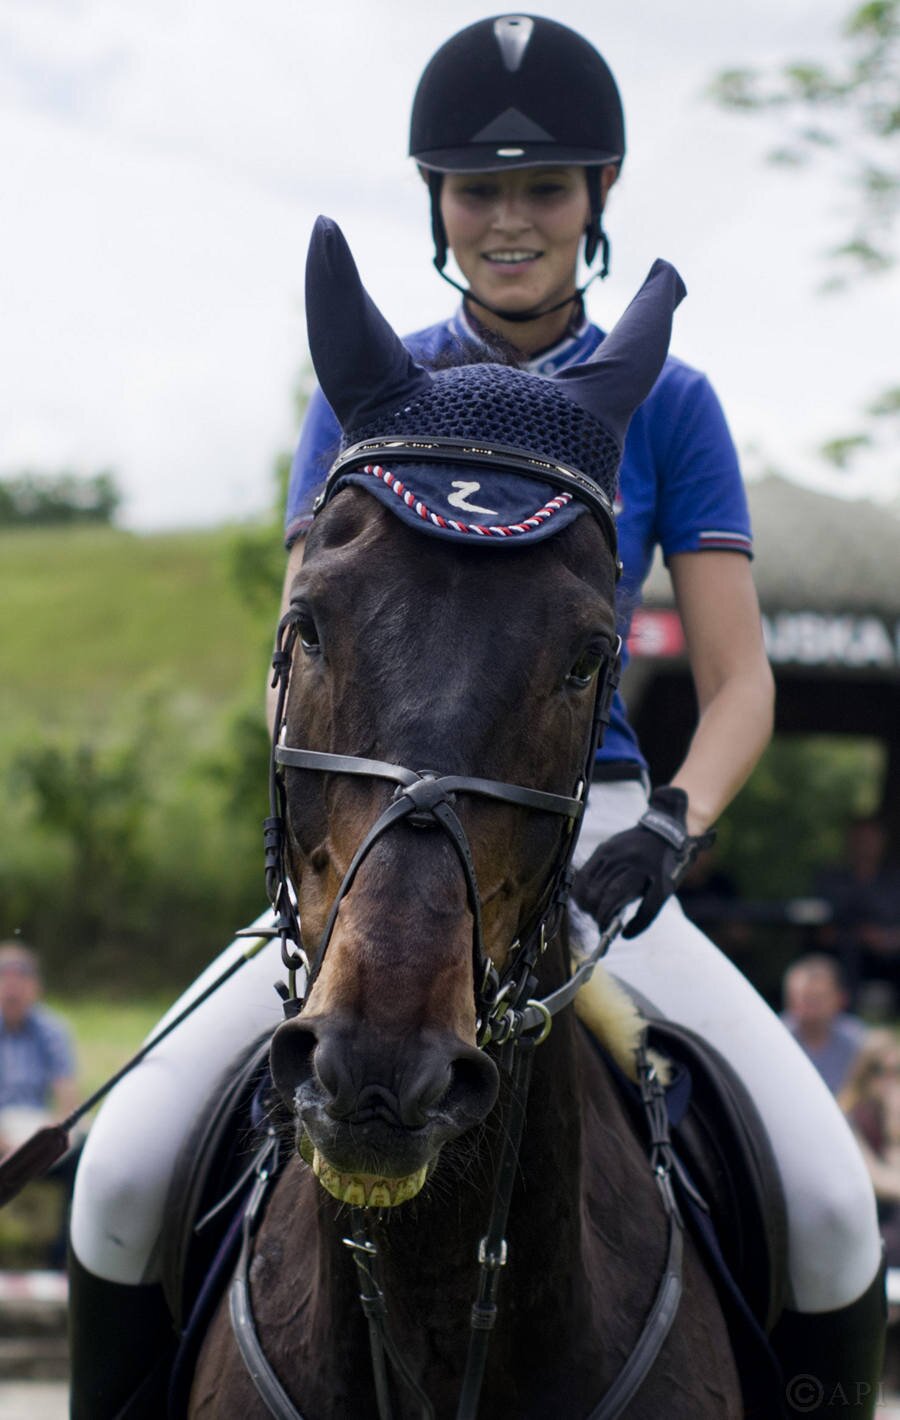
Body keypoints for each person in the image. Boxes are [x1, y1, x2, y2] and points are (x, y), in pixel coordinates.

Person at [68, 16, 885, 1416]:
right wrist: (326, 844)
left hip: (598, 835)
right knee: (125, 1168)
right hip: (373, 834)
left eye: (545, 188)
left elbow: (740, 679)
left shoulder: (672, 406)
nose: (511, 219)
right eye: (478, 189)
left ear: (598, 194)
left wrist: (672, 824)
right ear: (437, 202)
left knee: (827, 1205)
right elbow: (297, 648)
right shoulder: (367, 394)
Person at [0, 941, 79, 1268]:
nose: (12, 989)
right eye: (5, 980)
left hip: (36, 1127)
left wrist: (58, 1134)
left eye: (20, 980)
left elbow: (67, 1095)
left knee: (84, 1156)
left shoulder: (52, 1030)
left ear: (35, 987)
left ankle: (63, 1258)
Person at [815, 815, 900, 1007]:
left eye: (871, 839)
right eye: (860, 839)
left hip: (889, 955)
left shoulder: (895, 881)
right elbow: (819, 921)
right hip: (842, 951)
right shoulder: (831, 879)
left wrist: (887, 938)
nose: (865, 845)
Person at [840, 1031, 900, 1269]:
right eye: (880, 1071)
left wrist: (893, 1123)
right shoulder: (849, 1117)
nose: (889, 1080)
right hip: (863, 1225)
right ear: (864, 1073)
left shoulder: (888, 1115)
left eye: (896, 1071)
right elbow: (875, 1181)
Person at [781, 953, 867, 1095]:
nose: (807, 1006)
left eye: (816, 998)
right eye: (800, 997)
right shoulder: (775, 1038)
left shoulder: (857, 1040)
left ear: (840, 998)